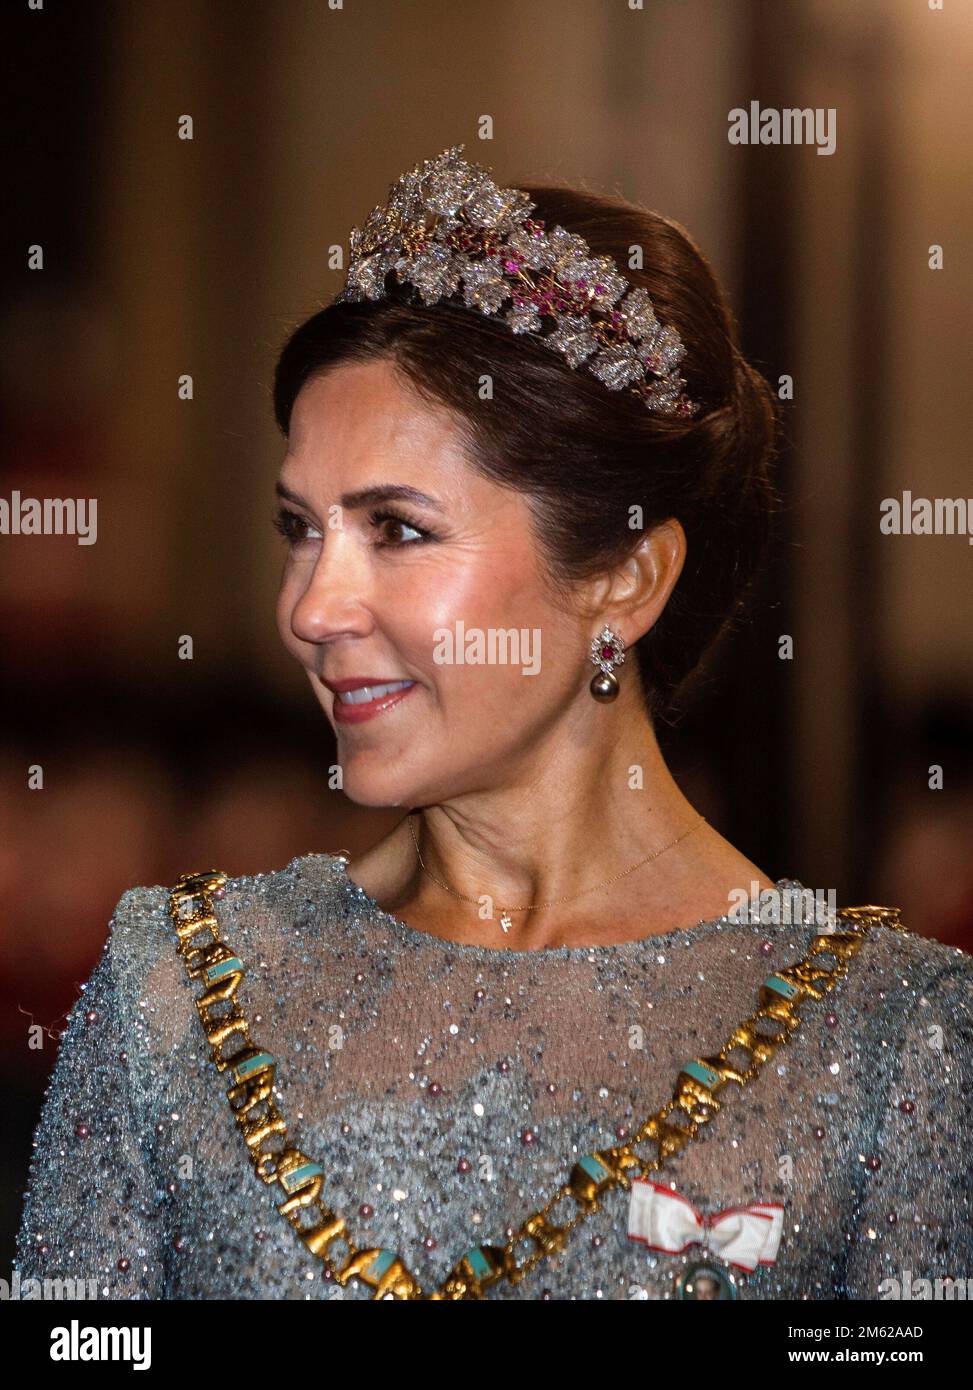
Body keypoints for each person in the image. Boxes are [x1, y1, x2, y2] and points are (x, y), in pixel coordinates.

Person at [15, 146, 973, 1301]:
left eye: (398, 530)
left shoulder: (887, 1038)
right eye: (299, 528)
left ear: (623, 577)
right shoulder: (173, 987)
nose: (309, 607)